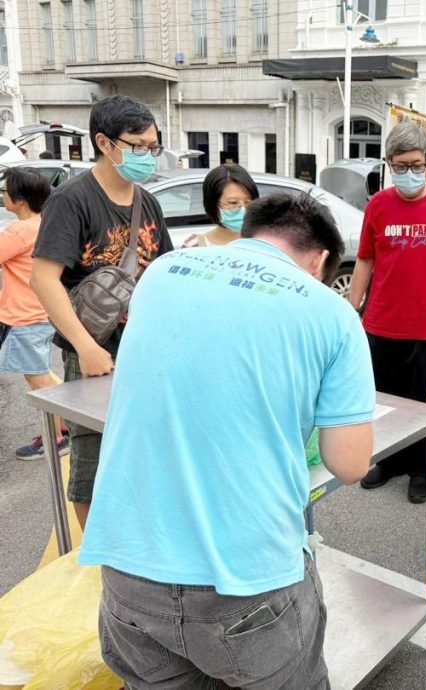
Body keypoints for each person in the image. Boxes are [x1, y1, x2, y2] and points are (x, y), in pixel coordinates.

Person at [78, 192, 375, 689]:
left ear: (249, 231)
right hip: (248, 582)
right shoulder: (332, 313)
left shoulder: (164, 271)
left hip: (128, 568)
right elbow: (349, 464)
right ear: (321, 260)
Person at [30, 95, 173, 530]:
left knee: (143, 452)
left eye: (154, 146)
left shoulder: (147, 201)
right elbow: (44, 279)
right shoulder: (71, 200)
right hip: (93, 352)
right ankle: (97, 562)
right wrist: (85, 347)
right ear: (105, 143)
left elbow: (163, 272)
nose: (148, 155)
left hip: (143, 351)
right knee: (91, 464)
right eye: (138, 145)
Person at [350, 122, 426, 503]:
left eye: (415, 164)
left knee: (422, 403)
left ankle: (422, 468)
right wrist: (350, 308)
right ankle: (389, 461)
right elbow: (365, 260)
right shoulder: (379, 205)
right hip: (382, 321)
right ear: (388, 164)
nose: (407, 172)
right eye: (399, 166)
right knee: (385, 400)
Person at [0, 168, 68, 459]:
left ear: (21, 200)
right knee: (41, 375)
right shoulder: (45, 223)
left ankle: (56, 438)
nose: (3, 196)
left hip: (25, 316)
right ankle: (65, 425)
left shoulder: (18, 230)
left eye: (5, 192)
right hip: (43, 311)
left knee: (37, 378)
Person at [181, 163, 259, 248]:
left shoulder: (263, 244)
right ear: (213, 204)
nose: (242, 209)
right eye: (233, 203)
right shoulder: (195, 246)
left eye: (248, 202)